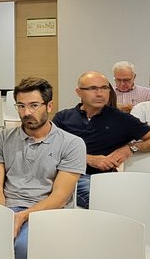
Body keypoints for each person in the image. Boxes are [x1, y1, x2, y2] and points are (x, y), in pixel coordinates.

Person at [0, 78, 85, 259]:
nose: (26, 112)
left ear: (49, 106)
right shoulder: (2, 138)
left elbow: (60, 196)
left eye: (34, 105)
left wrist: (22, 216)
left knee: (23, 247)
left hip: (47, 211)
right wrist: (2, 217)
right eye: (21, 106)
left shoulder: (71, 143)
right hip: (8, 208)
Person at [52, 71, 150, 208]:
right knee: (108, 203)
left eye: (104, 88)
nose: (100, 93)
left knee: (136, 201)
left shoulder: (121, 119)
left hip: (107, 178)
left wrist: (131, 148)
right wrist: (89, 159)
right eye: (93, 89)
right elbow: (49, 149)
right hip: (70, 175)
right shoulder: (63, 118)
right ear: (79, 92)